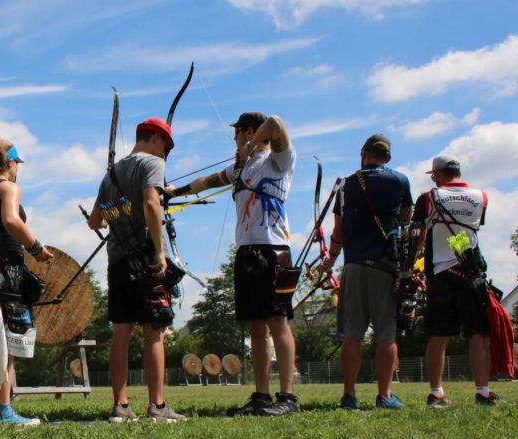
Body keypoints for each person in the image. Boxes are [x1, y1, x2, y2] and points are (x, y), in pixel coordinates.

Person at [178, 112, 298, 416]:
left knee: (278, 322)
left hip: (274, 251)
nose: (234, 139)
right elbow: (206, 182)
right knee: (256, 327)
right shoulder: (241, 166)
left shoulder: (279, 159)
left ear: (246, 131)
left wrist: (251, 144)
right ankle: (261, 396)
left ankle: (288, 397)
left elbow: (276, 123)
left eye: (237, 133)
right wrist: (171, 193)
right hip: (247, 252)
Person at [87, 118, 187, 423]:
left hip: (117, 262)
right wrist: (159, 252)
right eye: (166, 149)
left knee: (121, 331)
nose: (164, 155)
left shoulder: (110, 175)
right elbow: (151, 204)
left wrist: (117, 213)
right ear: (156, 139)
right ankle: (157, 407)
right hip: (146, 260)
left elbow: (95, 221)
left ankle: (121, 405)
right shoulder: (151, 163)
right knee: (155, 332)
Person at [320, 134, 413, 409]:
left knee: (353, 333)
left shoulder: (346, 185)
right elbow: (406, 218)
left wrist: (331, 258)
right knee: (387, 332)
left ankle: (349, 395)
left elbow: (338, 229)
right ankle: (385, 395)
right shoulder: (399, 180)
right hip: (385, 266)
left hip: (353, 265)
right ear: (388, 157)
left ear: (363, 152)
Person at [0, 136, 53, 426]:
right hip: (8, 275)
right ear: (9, 162)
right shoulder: (9, 187)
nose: (18, 168)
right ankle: (4, 411)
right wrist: (36, 248)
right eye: (17, 162)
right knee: (8, 343)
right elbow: (12, 221)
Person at [411, 154, 499, 406]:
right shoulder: (480, 197)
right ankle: (483, 391)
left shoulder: (429, 197)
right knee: (477, 333)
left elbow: (418, 234)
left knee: (438, 334)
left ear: (437, 174)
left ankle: (436, 392)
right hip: (471, 274)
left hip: (440, 273)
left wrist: (414, 258)